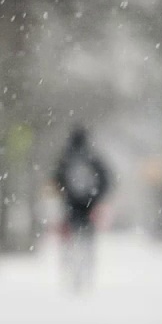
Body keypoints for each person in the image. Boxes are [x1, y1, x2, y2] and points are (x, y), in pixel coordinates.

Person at [54, 125, 110, 292]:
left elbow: (56, 181)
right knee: (87, 242)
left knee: (70, 242)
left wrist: (64, 196)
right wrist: (97, 199)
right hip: (89, 208)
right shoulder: (93, 159)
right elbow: (106, 180)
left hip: (70, 208)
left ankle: (72, 272)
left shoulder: (66, 159)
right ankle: (85, 272)